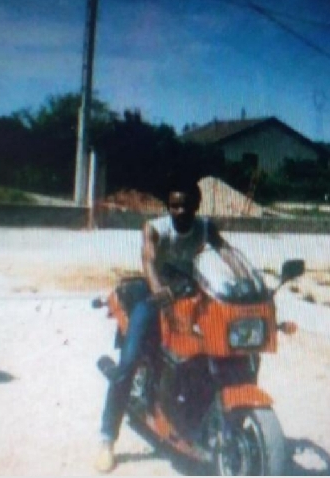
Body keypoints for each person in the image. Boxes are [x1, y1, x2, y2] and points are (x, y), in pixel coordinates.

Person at [95, 177, 241, 473]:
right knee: (128, 362)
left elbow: (227, 253)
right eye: (173, 205)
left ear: (196, 205)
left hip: (190, 294)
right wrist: (159, 290)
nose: (179, 210)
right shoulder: (155, 228)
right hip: (155, 296)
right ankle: (107, 440)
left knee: (219, 345)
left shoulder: (204, 227)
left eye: (185, 205)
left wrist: (246, 280)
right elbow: (148, 260)